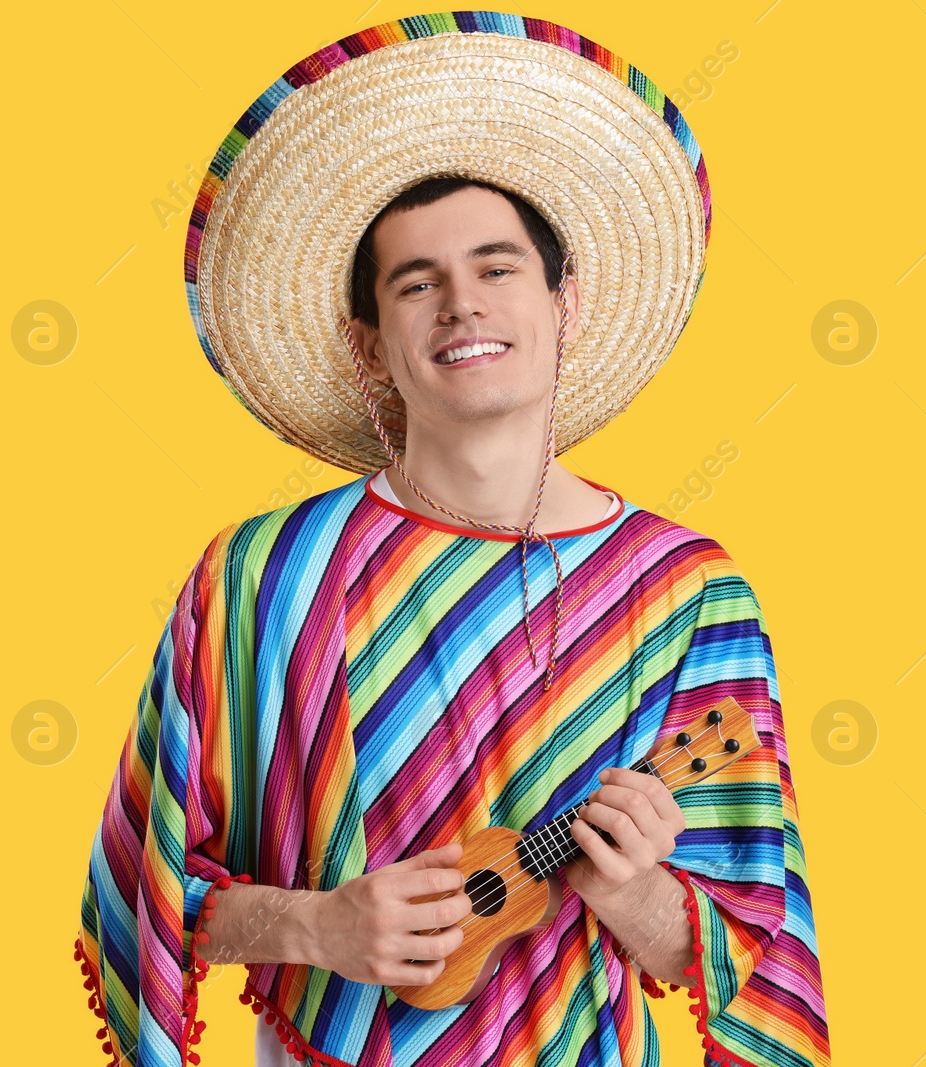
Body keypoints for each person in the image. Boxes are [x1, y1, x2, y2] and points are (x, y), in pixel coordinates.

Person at [73, 13, 829, 1067]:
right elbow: (147, 895)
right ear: (369, 343)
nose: (461, 304)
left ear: (564, 302)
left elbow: (740, 955)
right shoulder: (260, 579)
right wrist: (316, 925)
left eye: (497, 266)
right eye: (415, 281)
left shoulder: (684, 590)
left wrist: (630, 885)